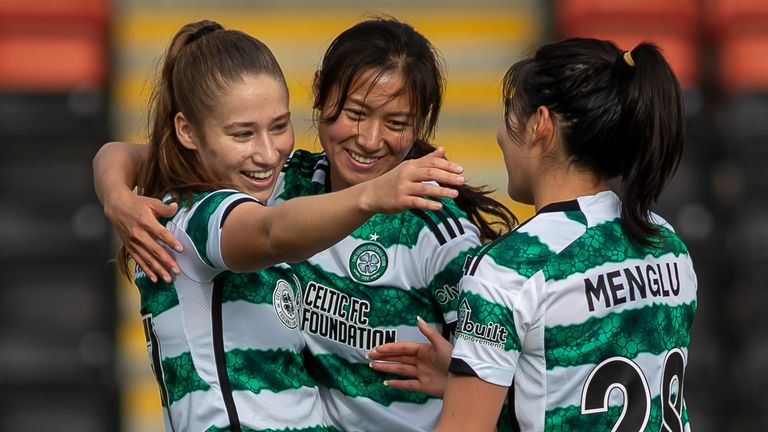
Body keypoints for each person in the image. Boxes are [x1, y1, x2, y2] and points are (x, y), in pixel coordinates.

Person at [93, 18, 516, 431]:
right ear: (318, 91)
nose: (370, 139)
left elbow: (502, 370)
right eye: (355, 112)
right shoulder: (270, 190)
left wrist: (463, 382)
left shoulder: (434, 231)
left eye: (396, 123)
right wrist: (116, 195)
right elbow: (267, 230)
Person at [369, 37, 698, 432]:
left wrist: (467, 397)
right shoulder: (667, 244)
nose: (500, 135)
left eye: (508, 113)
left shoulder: (513, 265)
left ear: (540, 123)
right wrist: (475, 385)